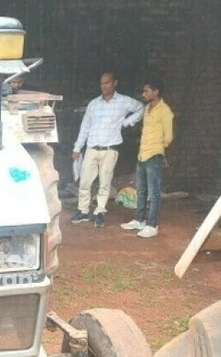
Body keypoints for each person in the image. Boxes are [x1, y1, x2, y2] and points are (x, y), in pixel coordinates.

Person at [70, 72, 144, 227]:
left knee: (105, 182)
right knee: (84, 181)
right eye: (102, 83)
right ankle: (83, 211)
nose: (104, 86)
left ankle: (99, 211)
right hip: (92, 147)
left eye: (107, 83)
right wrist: (77, 147)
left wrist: (127, 122)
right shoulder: (94, 104)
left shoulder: (123, 101)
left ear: (114, 83)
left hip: (110, 149)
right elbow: (85, 127)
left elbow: (141, 108)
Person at [120, 78, 174, 239]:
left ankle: (152, 224)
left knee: (154, 192)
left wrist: (159, 150)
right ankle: (139, 220)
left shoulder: (165, 111)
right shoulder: (147, 108)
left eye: (146, 91)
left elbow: (169, 136)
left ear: (156, 92)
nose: (144, 94)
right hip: (142, 154)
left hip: (154, 155)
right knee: (141, 190)